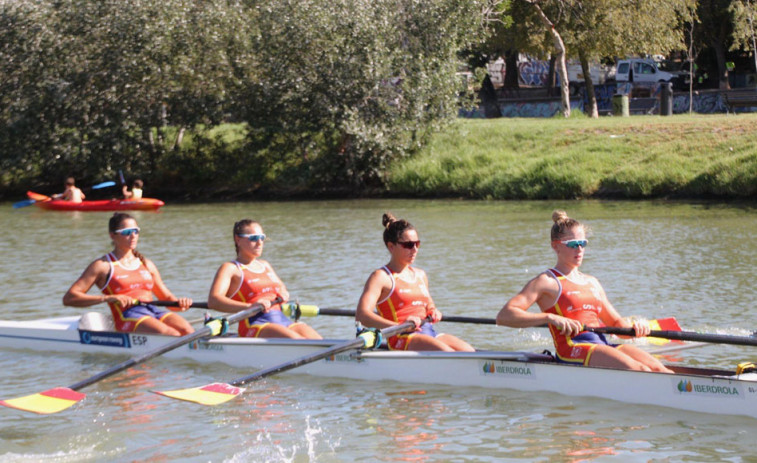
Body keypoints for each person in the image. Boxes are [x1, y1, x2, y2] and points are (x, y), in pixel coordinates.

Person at [496, 210, 672, 373]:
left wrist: (636, 327)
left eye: (583, 243)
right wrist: (549, 317)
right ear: (555, 246)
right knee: (640, 370)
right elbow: (504, 316)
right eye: (573, 244)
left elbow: (616, 324)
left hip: (601, 344)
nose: (579, 249)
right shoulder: (546, 281)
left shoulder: (592, 282)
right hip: (572, 348)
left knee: (661, 370)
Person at [356, 213, 475, 352]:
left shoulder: (420, 275)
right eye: (408, 245)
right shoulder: (381, 277)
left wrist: (433, 310)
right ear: (391, 246)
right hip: (402, 337)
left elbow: (428, 303)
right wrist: (400, 325)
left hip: (428, 332)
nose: (415, 249)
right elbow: (362, 315)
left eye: (417, 243)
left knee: (469, 352)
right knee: (447, 353)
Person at [62, 213, 194, 336]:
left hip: (154, 310)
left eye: (136, 231)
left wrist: (180, 304)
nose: (133, 236)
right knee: (172, 334)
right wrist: (108, 298)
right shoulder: (102, 266)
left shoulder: (146, 264)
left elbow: (166, 297)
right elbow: (69, 298)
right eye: (127, 232)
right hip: (127, 316)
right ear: (112, 235)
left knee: (188, 330)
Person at [207, 219, 322, 339]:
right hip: (255, 325)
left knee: (320, 342)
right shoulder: (230, 268)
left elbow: (281, 287)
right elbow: (214, 301)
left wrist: (284, 293)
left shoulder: (265, 265)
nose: (259, 242)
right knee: (299, 342)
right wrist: (250, 307)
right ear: (238, 239)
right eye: (253, 238)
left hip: (282, 319)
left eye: (262, 237)